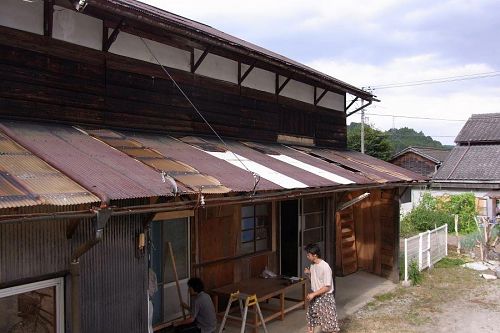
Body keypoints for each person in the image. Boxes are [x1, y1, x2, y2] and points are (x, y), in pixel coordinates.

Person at [303, 243, 340, 333]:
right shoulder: (312, 266)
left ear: (315, 255)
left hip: (325, 298)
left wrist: (313, 294)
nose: (307, 257)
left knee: (330, 324)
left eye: (308, 255)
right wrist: (308, 275)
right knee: (311, 320)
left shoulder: (325, 267)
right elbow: (314, 282)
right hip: (315, 297)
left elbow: (327, 287)